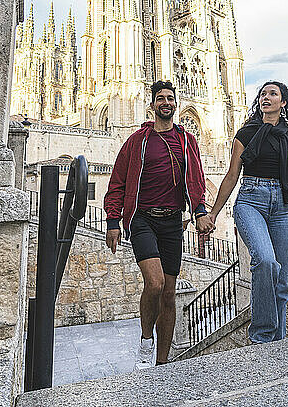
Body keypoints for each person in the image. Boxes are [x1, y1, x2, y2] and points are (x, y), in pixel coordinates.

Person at [104, 80, 215, 368]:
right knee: (155, 283)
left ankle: (162, 362)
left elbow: (196, 179)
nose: (166, 102)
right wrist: (113, 220)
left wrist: (200, 210)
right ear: (152, 104)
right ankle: (145, 341)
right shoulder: (137, 141)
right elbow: (117, 181)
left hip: (172, 222)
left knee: (169, 293)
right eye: (160, 98)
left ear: (175, 104)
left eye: (170, 98)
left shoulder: (187, 140)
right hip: (142, 219)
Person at [209, 81, 288, 344]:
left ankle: (278, 341)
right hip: (250, 201)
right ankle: (261, 337)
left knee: (285, 282)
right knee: (266, 261)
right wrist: (213, 213)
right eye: (263, 94)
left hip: (281, 205)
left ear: (283, 102)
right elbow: (232, 175)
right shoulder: (246, 133)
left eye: (272, 94)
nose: (266, 97)